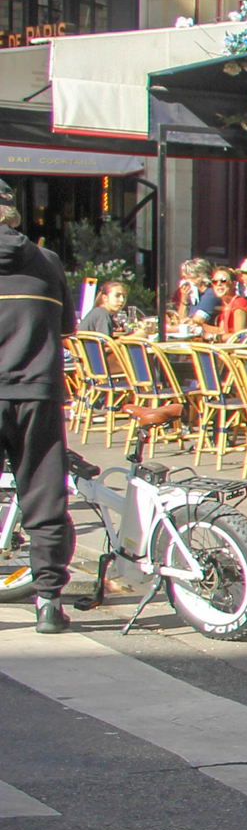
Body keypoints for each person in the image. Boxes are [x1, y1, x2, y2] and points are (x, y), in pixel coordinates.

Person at [0, 199, 75, 634]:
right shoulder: (46, 261)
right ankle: (48, 600)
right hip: (38, 392)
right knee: (45, 500)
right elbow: (66, 327)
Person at [212, 269, 247, 338]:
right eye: (214, 281)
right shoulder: (227, 304)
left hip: (239, 348)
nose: (219, 284)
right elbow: (221, 331)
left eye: (223, 280)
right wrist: (199, 325)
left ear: (234, 284)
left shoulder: (238, 303)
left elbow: (239, 336)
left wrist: (215, 337)